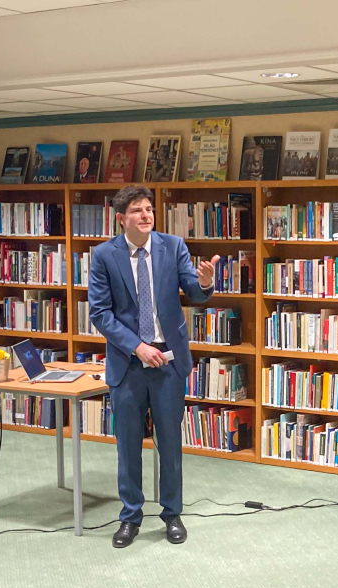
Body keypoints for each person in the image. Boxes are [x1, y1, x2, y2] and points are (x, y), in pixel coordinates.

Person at [87, 184, 219, 548]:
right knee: (128, 445)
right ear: (121, 219)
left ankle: (172, 513)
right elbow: (100, 313)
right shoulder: (104, 255)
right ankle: (130, 516)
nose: (146, 215)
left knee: (170, 443)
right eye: (137, 211)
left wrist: (205, 282)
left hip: (168, 362)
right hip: (128, 363)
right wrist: (137, 346)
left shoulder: (173, 246)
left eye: (149, 209)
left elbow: (193, 291)